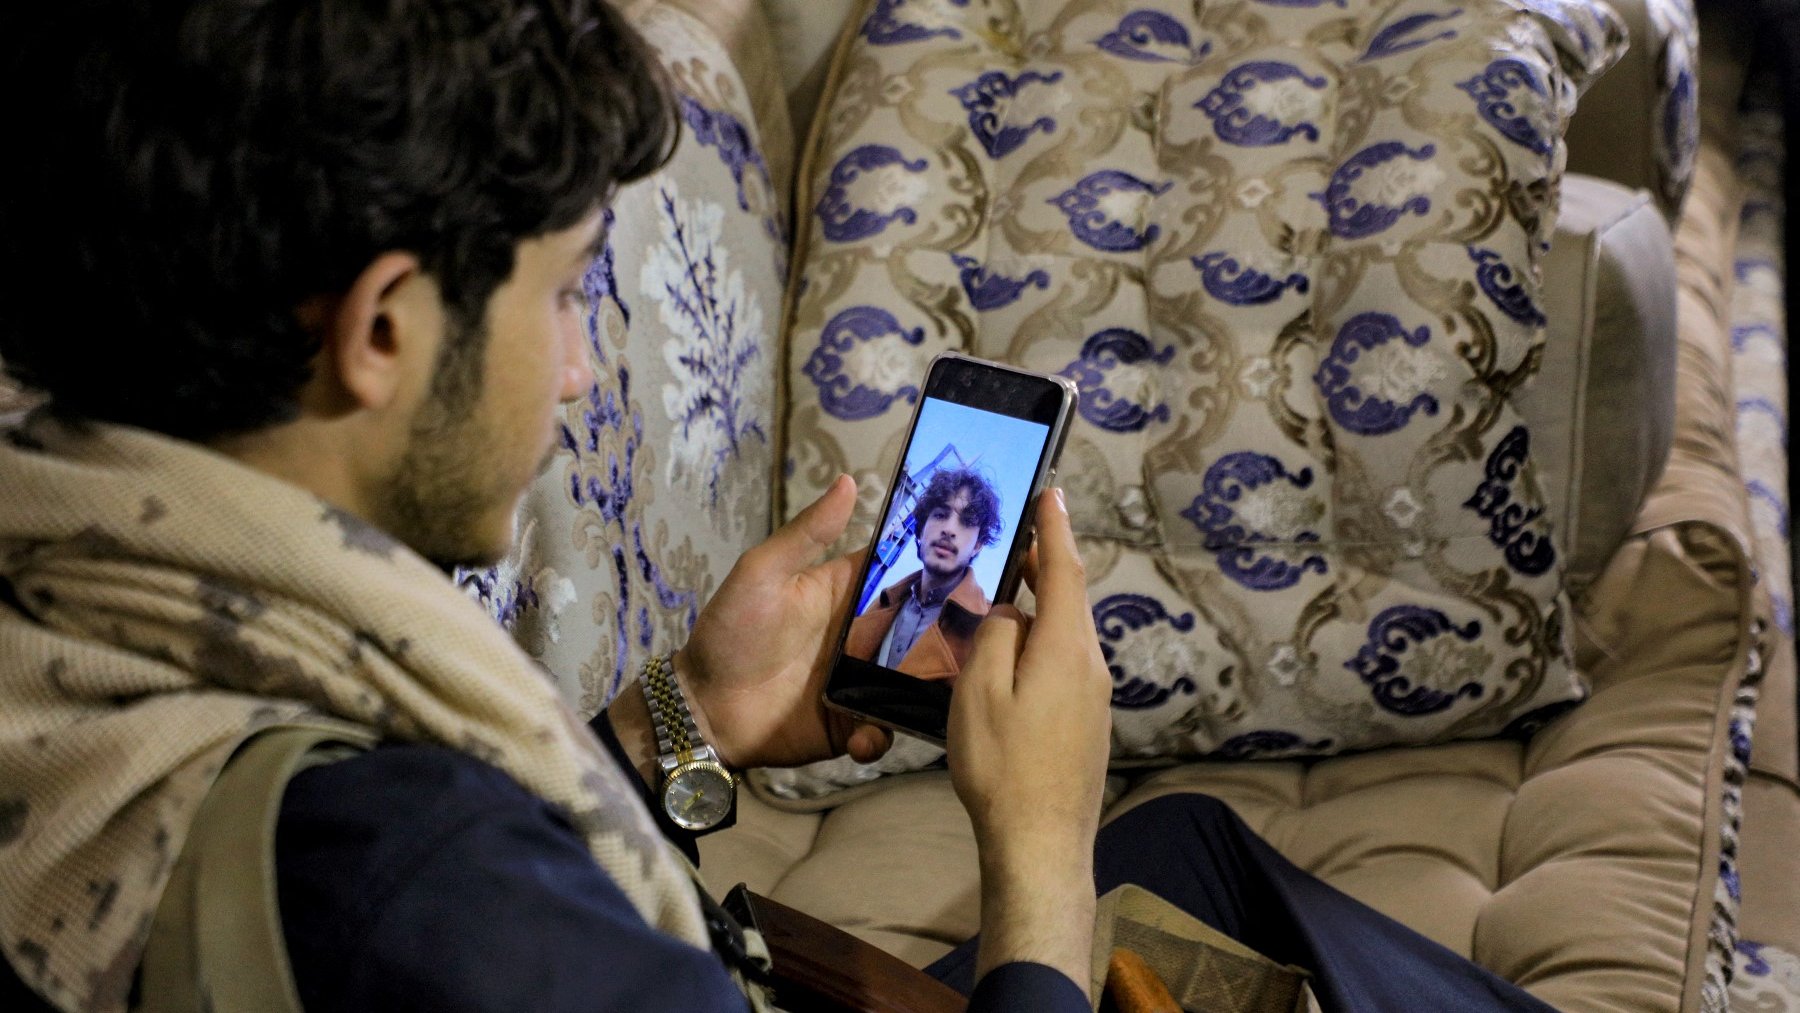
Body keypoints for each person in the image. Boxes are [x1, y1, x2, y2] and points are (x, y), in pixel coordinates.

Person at [0, 2, 1564, 1012]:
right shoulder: (417, 882)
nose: (575, 380)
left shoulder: (77, 591)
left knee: (1198, 857)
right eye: (562, 297)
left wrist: (690, 718)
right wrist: (1035, 859)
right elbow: (475, 917)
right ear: (386, 329)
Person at [846, 467, 1001, 680]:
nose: (949, 529)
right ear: (921, 529)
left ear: (978, 545)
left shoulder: (990, 628)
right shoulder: (881, 606)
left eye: (966, 522)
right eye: (940, 515)